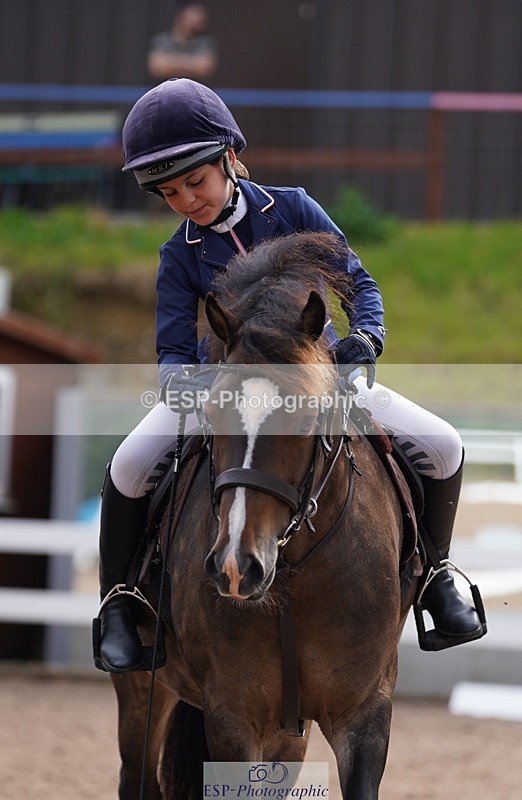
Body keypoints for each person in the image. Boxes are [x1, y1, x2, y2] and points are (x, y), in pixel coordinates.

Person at [93, 78, 486, 674]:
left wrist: (366, 339)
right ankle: (120, 602)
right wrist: (185, 384)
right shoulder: (179, 255)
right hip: (225, 391)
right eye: (169, 193)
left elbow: (360, 285)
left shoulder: (295, 208)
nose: (186, 201)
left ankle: (435, 576)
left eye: (194, 182)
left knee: (445, 445)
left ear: (227, 157)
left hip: (316, 380)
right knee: (126, 467)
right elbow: (174, 349)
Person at [146, 2, 217, 83]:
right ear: (180, 16)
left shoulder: (205, 43)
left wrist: (171, 61)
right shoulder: (162, 40)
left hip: (196, 92)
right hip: (165, 91)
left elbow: (204, 68)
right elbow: (158, 68)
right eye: (195, 13)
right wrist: (192, 63)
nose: (200, 18)